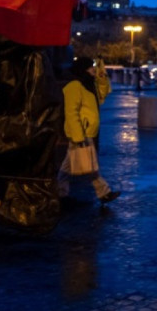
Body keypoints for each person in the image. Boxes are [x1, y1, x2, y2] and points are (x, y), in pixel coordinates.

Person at [58, 57, 121, 205]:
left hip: (87, 132)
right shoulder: (74, 86)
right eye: (91, 67)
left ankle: (60, 193)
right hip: (81, 133)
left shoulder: (88, 85)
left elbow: (103, 94)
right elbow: (71, 113)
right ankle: (104, 193)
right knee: (90, 165)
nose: (93, 69)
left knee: (68, 167)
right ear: (83, 69)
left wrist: (101, 76)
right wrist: (78, 136)